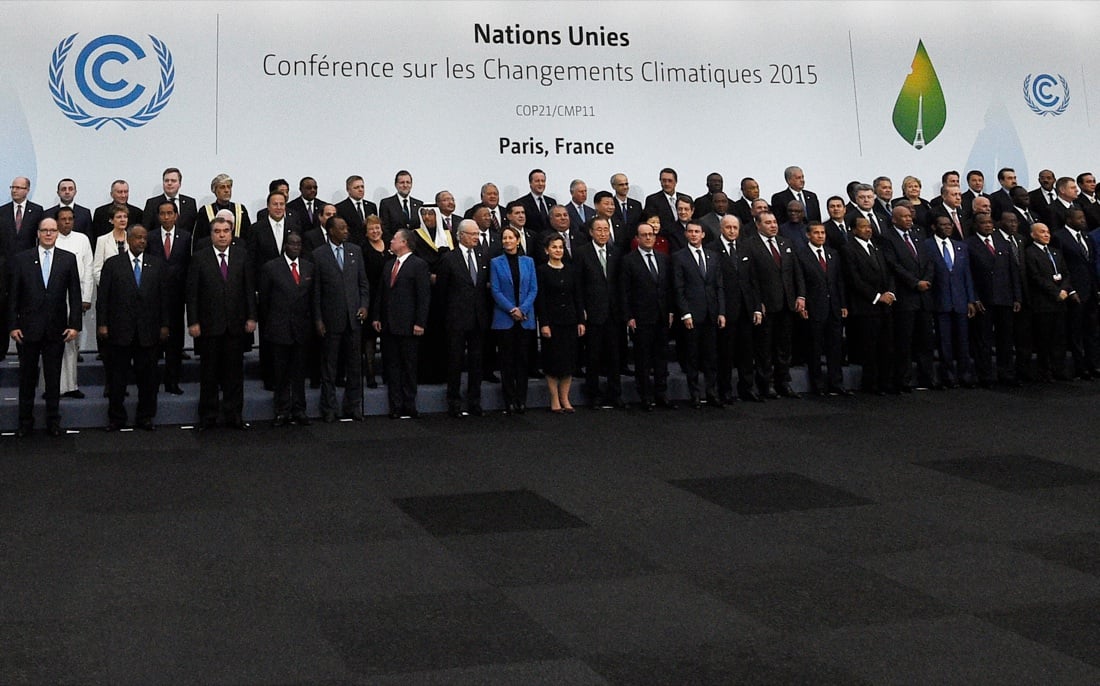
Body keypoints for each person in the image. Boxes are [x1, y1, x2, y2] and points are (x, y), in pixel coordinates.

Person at [8, 217, 82, 436]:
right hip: (27, 329)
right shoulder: (22, 259)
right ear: (38, 233)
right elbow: (13, 296)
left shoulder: (68, 259)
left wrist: (75, 325)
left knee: (53, 379)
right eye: (45, 230)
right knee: (27, 378)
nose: (49, 234)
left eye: (52, 230)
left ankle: (53, 421)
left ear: (57, 233)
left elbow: (75, 296)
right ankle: (25, 422)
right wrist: (13, 326)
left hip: (56, 329)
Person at [186, 216, 257, 430]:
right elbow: (192, 293)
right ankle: (208, 416)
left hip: (235, 325)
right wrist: (193, 321)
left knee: (234, 375)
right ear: (211, 234)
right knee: (209, 374)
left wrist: (252, 317)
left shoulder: (242, 256)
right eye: (217, 231)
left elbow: (248, 289)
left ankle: (233, 415)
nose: (222, 235)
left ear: (231, 232)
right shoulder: (199, 258)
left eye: (226, 230)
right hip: (208, 326)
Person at [96, 225, 169, 431]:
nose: (142, 241)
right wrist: (102, 324)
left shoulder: (156, 264)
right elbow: (104, 298)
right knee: (117, 378)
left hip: (149, 331)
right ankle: (116, 418)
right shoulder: (113, 264)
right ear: (128, 240)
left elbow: (164, 298)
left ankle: (145, 417)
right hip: (120, 331)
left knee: (148, 379)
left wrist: (164, 325)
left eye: (144, 238)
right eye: (137, 238)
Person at [314, 216, 370, 422]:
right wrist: (318, 319)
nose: (346, 230)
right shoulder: (318, 255)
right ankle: (329, 408)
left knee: (355, 366)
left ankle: (353, 407)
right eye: (342, 227)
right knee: (329, 367)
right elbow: (316, 291)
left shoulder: (355, 251)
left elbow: (363, 284)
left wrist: (364, 305)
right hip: (330, 320)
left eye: (346, 227)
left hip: (354, 320)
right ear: (330, 231)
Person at [745, 211, 805, 399]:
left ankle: (783, 382)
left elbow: (797, 272)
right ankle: (765, 384)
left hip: (787, 304)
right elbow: (750, 278)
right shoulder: (749, 245)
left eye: (774, 222)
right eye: (768, 222)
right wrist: (757, 302)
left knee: (784, 346)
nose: (773, 225)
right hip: (766, 305)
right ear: (758, 225)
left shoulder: (785, 243)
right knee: (765, 348)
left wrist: (801, 295)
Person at [373, 229, 431, 419]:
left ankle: (409, 404)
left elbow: (423, 296)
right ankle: (395, 406)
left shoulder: (418, 265)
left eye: (394, 239)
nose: (390, 241)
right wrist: (377, 317)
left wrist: (420, 322)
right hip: (389, 325)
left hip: (409, 326)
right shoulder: (389, 264)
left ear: (404, 242)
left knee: (409, 366)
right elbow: (381, 293)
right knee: (392, 366)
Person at [436, 219, 491, 417]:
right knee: (455, 362)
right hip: (456, 319)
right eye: (473, 234)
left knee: (477, 362)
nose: (477, 237)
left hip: (478, 318)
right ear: (461, 235)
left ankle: (475, 401)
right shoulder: (449, 259)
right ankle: (454, 402)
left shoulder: (483, 256)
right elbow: (441, 292)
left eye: (477, 234)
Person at [619, 219, 675, 410]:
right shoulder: (628, 260)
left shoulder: (663, 258)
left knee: (661, 358)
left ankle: (661, 394)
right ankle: (645, 396)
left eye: (651, 234)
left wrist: (670, 311)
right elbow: (624, 291)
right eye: (644, 235)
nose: (648, 237)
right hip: (640, 317)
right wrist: (628, 316)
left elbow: (668, 288)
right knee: (643, 360)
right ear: (637, 238)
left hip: (661, 316)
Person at [259, 232, 314, 426]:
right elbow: (264, 301)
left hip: (302, 329)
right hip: (279, 328)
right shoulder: (271, 267)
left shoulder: (308, 267)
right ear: (285, 246)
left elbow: (312, 299)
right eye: (292, 244)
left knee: (299, 374)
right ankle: (282, 410)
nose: (295, 247)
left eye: (299, 244)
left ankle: (299, 410)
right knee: (281, 374)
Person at [881, 204, 936, 391]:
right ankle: (903, 380)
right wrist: (914, 282)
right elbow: (893, 265)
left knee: (926, 340)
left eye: (910, 216)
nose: (909, 219)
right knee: (904, 341)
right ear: (894, 219)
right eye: (904, 217)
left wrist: (927, 280)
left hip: (924, 297)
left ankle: (927, 378)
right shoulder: (887, 238)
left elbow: (929, 261)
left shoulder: (918, 235)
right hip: (905, 297)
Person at [672, 222, 725, 408]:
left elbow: (719, 286)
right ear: (686, 234)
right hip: (692, 315)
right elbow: (678, 288)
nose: (694, 235)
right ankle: (694, 394)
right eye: (690, 232)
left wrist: (721, 312)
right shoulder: (678, 257)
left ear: (703, 234)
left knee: (711, 357)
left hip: (711, 313)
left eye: (697, 232)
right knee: (692, 357)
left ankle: (711, 393)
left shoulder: (713, 256)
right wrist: (685, 313)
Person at [841, 217, 896, 394]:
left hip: (885, 305)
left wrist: (890, 293)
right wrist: (877, 296)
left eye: (869, 227)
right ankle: (871, 384)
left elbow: (888, 272)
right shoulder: (848, 249)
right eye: (863, 227)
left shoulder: (877, 247)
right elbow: (853, 278)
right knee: (870, 348)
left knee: (886, 346)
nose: (868, 230)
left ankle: (886, 382)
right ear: (854, 230)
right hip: (866, 305)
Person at [966, 212, 1021, 386]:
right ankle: (986, 375)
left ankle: (1006, 374)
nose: (988, 226)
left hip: (1005, 298)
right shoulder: (968, 245)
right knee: (984, 340)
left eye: (990, 222)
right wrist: (974, 297)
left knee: (1006, 338)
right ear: (976, 225)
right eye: (983, 223)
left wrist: (1017, 297)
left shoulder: (1002, 242)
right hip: (984, 300)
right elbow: (968, 275)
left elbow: (1013, 271)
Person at [923, 214, 977, 388]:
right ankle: (948, 377)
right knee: (944, 342)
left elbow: (967, 275)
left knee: (963, 341)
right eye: (943, 224)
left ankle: (966, 376)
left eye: (949, 225)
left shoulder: (961, 247)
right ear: (934, 227)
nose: (947, 227)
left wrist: (971, 299)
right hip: (940, 301)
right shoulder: (927, 246)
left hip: (960, 300)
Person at [797, 221, 849, 396]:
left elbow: (839, 281)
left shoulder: (833, 254)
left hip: (833, 307)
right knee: (815, 348)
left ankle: (836, 382)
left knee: (835, 347)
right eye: (816, 233)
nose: (820, 236)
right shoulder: (801, 254)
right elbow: (800, 280)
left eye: (822, 233)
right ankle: (817, 384)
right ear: (808, 235)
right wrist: (802, 303)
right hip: (813, 307)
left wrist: (842, 304)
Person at [146, 199, 192, 395]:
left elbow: (190, 267)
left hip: (177, 297)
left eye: (169, 213)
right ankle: (152, 382)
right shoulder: (149, 237)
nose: (166, 217)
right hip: (154, 299)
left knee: (175, 343)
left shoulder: (186, 237)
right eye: (162, 213)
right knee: (154, 344)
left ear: (176, 216)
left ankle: (172, 382)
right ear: (158, 216)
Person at [576, 217, 623, 408]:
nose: (603, 233)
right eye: (599, 230)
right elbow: (578, 285)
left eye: (606, 230)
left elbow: (621, 285)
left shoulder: (616, 252)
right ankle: (592, 395)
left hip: (613, 313)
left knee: (614, 356)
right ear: (591, 232)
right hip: (592, 312)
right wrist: (582, 311)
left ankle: (615, 394)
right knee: (593, 357)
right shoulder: (582, 253)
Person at [714, 215, 762, 403]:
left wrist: (757, 307)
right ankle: (725, 390)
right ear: (721, 228)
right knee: (725, 353)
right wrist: (721, 311)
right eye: (728, 227)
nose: (732, 231)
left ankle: (747, 388)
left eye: (735, 227)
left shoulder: (745, 247)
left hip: (746, 309)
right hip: (726, 310)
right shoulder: (712, 249)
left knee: (747, 352)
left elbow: (753, 280)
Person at [490, 225, 537, 414]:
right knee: (506, 361)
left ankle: (521, 400)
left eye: (511, 238)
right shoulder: (495, 262)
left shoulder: (529, 262)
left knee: (522, 361)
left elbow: (533, 289)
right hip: (505, 318)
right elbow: (495, 290)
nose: (507, 241)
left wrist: (523, 309)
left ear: (518, 241)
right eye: (505, 238)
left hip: (525, 318)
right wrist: (512, 309)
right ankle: (509, 400)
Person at [536, 234, 585, 413]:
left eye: (560, 247)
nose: (558, 250)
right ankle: (554, 398)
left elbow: (578, 296)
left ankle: (565, 397)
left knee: (568, 361)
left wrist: (581, 320)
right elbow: (540, 300)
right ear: (546, 250)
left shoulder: (571, 270)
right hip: (552, 322)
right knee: (552, 361)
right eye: (554, 247)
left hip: (570, 321)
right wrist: (544, 323)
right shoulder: (541, 271)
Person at [51, 207, 93, 399]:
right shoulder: (50, 237)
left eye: (70, 219)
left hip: (75, 298)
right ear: (57, 221)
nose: (67, 222)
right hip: (54, 300)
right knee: (52, 343)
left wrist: (86, 298)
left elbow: (89, 267)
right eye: (63, 219)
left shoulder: (82, 239)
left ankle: (71, 385)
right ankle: (53, 387)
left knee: (72, 344)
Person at [92, 204, 132, 397]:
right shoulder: (102, 241)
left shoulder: (133, 238)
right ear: (111, 220)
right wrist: (110, 286)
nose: (122, 220)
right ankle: (111, 384)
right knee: (111, 349)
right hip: (110, 298)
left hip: (132, 299)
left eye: (125, 216)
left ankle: (124, 385)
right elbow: (97, 268)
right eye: (118, 217)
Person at [1024, 223, 1072, 381]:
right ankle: (1045, 371)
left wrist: (1064, 289)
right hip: (1043, 303)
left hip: (1060, 302)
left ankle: (1059, 369)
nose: (1047, 235)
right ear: (1033, 235)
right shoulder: (1030, 253)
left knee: (1059, 338)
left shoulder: (1056, 252)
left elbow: (1066, 273)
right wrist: (1055, 292)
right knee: (1044, 339)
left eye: (1048, 232)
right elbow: (1035, 277)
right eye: (1042, 232)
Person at [1055, 208, 1099, 379]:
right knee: (1076, 332)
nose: (1083, 220)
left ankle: (1093, 365)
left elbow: (1091, 264)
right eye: (1079, 218)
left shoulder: (1087, 236)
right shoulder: (1059, 237)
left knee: (1092, 331)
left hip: (1091, 291)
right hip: (1074, 292)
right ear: (1069, 219)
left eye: (1083, 217)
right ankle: (1080, 367)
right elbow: (1061, 265)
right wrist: (1070, 289)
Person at [360, 214, 390, 389]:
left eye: (377, 228)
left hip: (388, 299)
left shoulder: (391, 246)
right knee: (369, 339)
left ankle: (388, 373)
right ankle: (370, 375)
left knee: (388, 339)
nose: (375, 231)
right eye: (371, 229)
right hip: (370, 298)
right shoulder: (362, 249)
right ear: (366, 232)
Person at [194, 173, 251, 247]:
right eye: (222, 187)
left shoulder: (240, 210)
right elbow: (198, 238)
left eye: (229, 187)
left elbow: (249, 236)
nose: (227, 190)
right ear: (215, 190)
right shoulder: (205, 211)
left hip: (237, 253)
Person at [142, 167, 197, 235]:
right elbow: (146, 229)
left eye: (173, 181)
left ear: (180, 184)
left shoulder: (190, 203)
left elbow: (194, 229)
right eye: (166, 180)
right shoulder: (152, 203)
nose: (169, 183)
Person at [643, 167, 691, 234]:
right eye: (664, 180)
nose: (667, 184)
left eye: (670, 181)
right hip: (665, 237)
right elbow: (651, 223)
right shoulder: (652, 200)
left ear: (676, 182)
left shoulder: (685, 198)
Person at [44, 178, 94, 243]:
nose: (67, 192)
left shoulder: (85, 213)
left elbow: (90, 238)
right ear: (58, 193)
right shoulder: (48, 214)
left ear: (75, 192)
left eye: (70, 189)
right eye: (63, 189)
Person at [378, 170, 423, 234]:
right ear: (396, 185)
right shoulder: (386, 204)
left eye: (408, 182)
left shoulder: (419, 204)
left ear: (411, 185)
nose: (405, 185)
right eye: (402, 182)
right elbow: (385, 229)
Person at [516, 168, 557, 235]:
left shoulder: (552, 202)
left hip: (551, 240)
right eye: (537, 181)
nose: (540, 184)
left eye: (543, 181)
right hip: (533, 241)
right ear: (530, 183)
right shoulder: (522, 202)